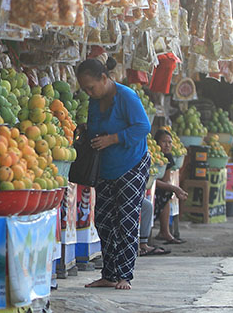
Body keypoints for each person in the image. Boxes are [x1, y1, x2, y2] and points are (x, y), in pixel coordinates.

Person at [76, 57, 151, 290]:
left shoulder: (126, 96)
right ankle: (109, 274)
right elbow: (97, 127)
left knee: (126, 220)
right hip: (106, 169)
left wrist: (113, 139)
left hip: (132, 164)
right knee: (104, 221)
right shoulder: (94, 101)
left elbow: (143, 126)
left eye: (91, 87)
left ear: (105, 78)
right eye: (84, 89)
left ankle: (125, 275)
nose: (89, 92)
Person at [152, 129, 188, 244]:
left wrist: (175, 189)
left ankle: (165, 231)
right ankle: (164, 232)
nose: (167, 145)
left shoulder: (168, 157)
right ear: (156, 143)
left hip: (156, 189)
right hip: (147, 187)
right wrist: (175, 188)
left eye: (170, 142)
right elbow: (152, 181)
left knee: (166, 193)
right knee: (167, 192)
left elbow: (165, 181)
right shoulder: (151, 155)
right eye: (164, 142)